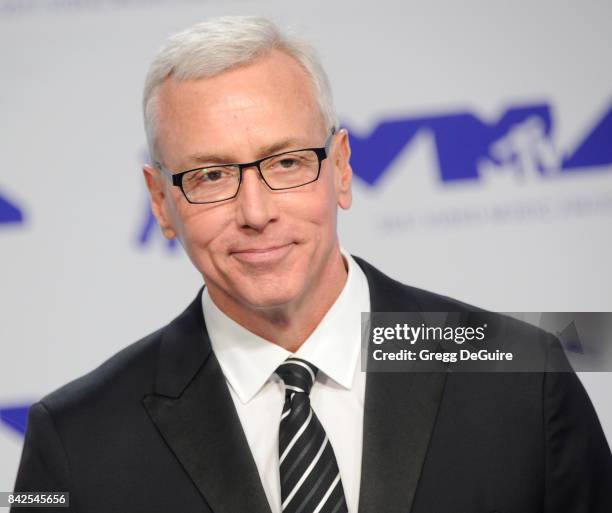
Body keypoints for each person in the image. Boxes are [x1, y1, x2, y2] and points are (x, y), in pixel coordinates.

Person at [12, 16, 612, 513]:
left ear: (342, 168)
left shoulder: (523, 373)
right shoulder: (73, 440)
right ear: (161, 202)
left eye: (288, 162)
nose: (255, 211)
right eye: (211, 175)